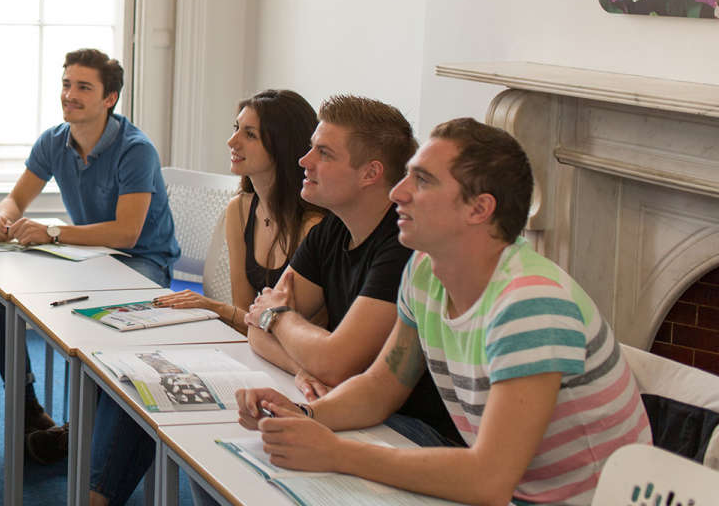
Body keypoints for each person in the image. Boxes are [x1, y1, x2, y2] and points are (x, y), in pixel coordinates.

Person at [234, 119, 651, 506]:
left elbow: (489, 479)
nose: (398, 192)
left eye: (422, 180)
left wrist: (336, 452)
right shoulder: (424, 271)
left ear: (479, 209)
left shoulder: (530, 304)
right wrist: (303, 416)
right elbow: (379, 388)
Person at [0, 48, 179, 504]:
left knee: (99, 325)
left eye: (83, 87)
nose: (69, 94)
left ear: (110, 98)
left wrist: (52, 232)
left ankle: (86, 439)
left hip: (142, 262)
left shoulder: (136, 149)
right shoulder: (54, 140)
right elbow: (16, 199)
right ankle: (29, 406)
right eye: (66, 84)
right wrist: (2, 217)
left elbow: (127, 233)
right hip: (86, 257)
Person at [244, 94, 457, 445]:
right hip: (357, 408)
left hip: (417, 429)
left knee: (270, 444)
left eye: (324, 153)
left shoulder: (405, 245)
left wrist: (278, 317)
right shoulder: (332, 228)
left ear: (370, 173)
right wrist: (302, 369)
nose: (304, 161)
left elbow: (334, 363)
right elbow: (256, 330)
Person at [153, 88, 324, 334]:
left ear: (283, 146)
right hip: (258, 342)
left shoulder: (312, 226)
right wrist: (222, 310)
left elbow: (290, 330)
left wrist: (214, 307)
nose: (232, 141)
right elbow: (245, 316)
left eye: (250, 134)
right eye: (236, 128)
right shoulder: (240, 210)